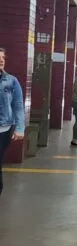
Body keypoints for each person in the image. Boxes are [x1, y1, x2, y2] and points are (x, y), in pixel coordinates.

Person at [0, 48, 25, 196]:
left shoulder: (11, 81)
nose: (2, 60)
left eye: (3, 57)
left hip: (4, 129)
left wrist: (20, 129)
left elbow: (18, 105)